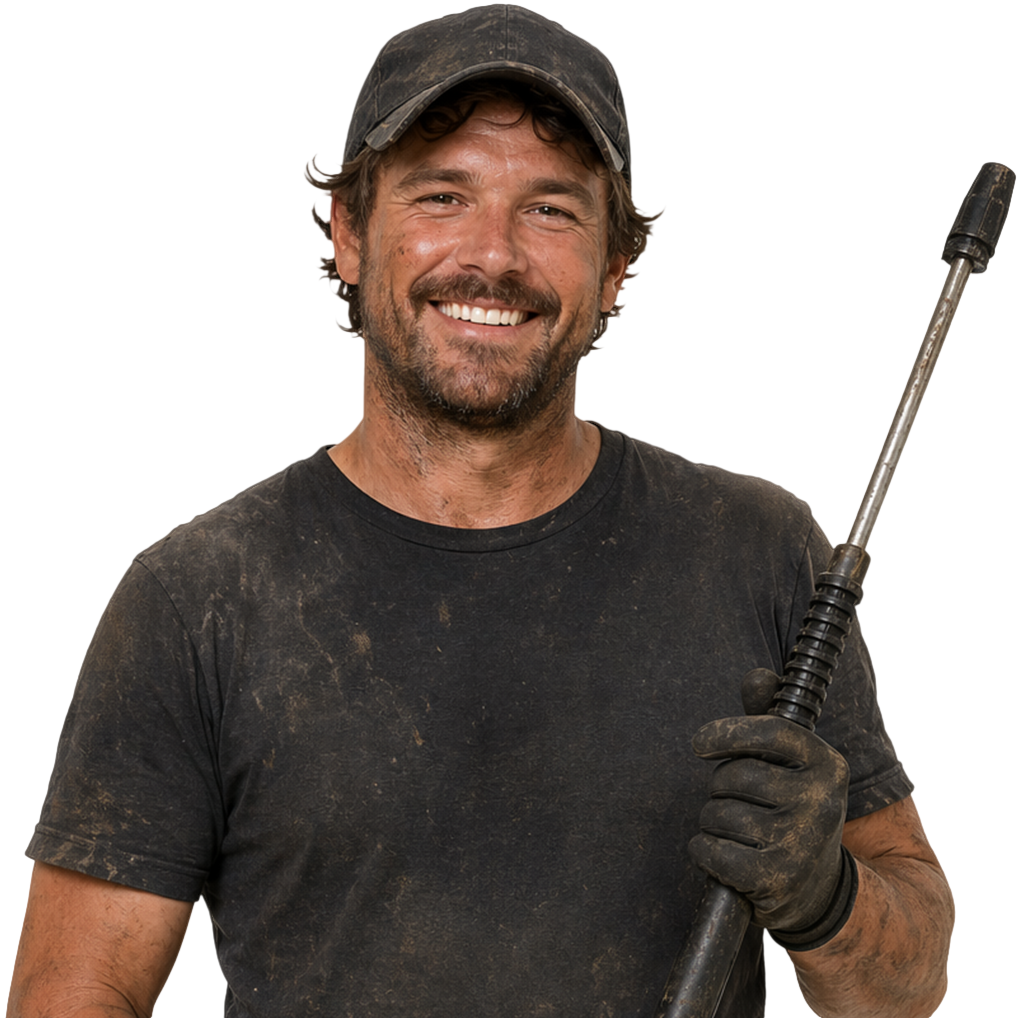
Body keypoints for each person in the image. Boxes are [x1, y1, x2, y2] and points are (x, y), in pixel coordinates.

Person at [8, 5, 954, 1017]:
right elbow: (74, 995)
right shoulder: (198, 598)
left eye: (549, 209)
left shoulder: (757, 552)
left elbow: (906, 989)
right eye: (441, 196)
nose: (492, 255)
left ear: (614, 265)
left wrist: (826, 900)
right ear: (348, 233)